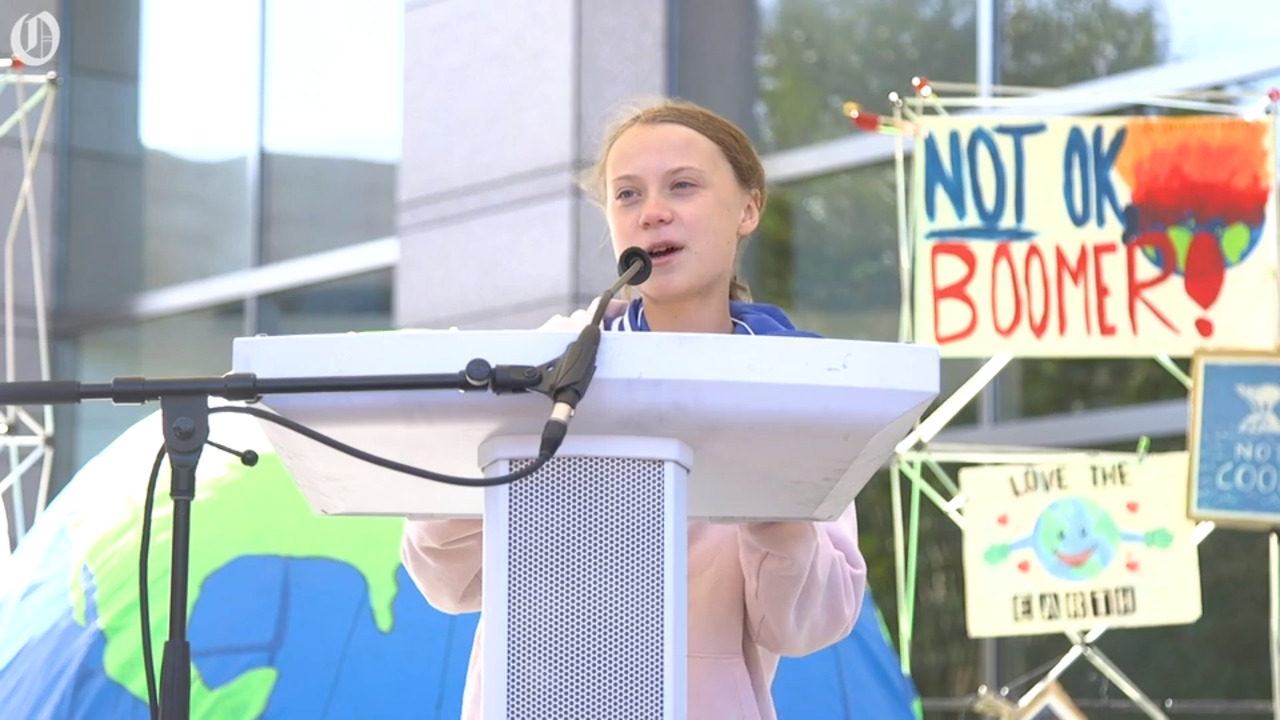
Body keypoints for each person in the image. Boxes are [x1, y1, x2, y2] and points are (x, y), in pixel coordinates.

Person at [401, 98, 867, 720]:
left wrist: (767, 488)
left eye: (682, 185)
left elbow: (811, 622)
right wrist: (467, 457)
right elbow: (447, 579)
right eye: (626, 195)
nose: (652, 213)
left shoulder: (800, 384)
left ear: (748, 208)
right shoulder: (551, 362)